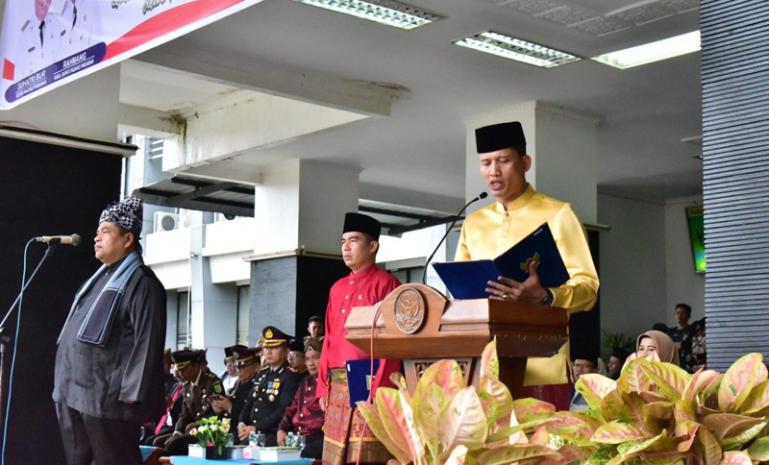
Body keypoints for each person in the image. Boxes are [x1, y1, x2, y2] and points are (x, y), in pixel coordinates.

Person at [455, 121, 599, 409]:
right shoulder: (473, 223)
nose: (493, 171)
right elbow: (461, 296)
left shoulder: (558, 214)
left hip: (542, 366)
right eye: (486, 163)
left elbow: (588, 289)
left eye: (503, 161)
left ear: (525, 162)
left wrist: (547, 296)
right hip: (485, 367)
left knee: (542, 453)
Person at [53, 196, 166, 465]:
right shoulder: (101, 278)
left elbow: (147, 343)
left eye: (105, 232)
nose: (96, 238)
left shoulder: (143, 283)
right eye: (97, 232)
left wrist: (131, 396)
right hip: (76, 392)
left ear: (127, 239)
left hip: (108, 400)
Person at [319, 212, 402, 465]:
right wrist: (323, 384)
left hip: (368, 386)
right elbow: (329, 338)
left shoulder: (388, 284)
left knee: (364, 456)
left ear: (373, 246)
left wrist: (381, 388)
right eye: (343, 241)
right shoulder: (337, 288)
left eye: (353, 240)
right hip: (337, 387)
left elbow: (393, 343)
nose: (346, 247)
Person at [237, 326, 302, 446]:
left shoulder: (290, 376)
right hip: (253, 433)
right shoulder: (262, 374)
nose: (268, 351)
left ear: (286, 351)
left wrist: (256, 428)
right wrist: (241, 423)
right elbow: (249, 403)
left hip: (272, 434)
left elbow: (282, 410)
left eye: (274, 347)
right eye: (266, 347)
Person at [159, 349, 224, 455]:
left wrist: (197, 425)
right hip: (190, 430)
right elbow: (184, 414)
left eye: (183, 369)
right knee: (158, 442)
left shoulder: (212, 382)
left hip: (208, 431)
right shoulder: (187, 386)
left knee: (174, 445)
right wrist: (177, 431)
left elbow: (217, 413)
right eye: (179, 370)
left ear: (194, 366)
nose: (180, 373)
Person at [278, 337, 325, 459]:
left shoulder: (330, 383)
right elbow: (292, 408)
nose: (310, 363)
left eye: (315, 358)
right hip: (297, 436)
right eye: (307, 358)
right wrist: (281, 429)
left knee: (307, 452)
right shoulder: (305, 381)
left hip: (318, 437)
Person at [210, 345, 262, 434]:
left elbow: (252, 414)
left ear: (256, 367)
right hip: (230, 430)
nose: (239, 370)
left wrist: (229, 407)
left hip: (246, 432)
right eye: (237, 367)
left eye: (243, 367)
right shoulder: (238, 384)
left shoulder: (258, 386)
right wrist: (219, 409)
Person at [667, 303, 694, 372]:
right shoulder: (670, 332)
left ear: (688, 316)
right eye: (677, 313)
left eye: (683, 313)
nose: (679, 316)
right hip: (674, 366)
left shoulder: (692, 330)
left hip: (688, 366)